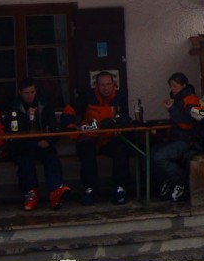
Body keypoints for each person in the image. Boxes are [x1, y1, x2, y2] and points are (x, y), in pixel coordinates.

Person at [68, 71, 132, 205]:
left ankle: (120, 189)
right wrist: (70, 126)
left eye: (108, 84)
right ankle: (90, 189)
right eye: (102, 85)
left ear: (113, 84)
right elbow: (69, 110)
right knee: (86, 152)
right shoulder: (86, 96)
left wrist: (116, 122)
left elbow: (126, 117)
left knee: (122, 148)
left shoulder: (120, 97)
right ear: (96, 85)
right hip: (89, 136)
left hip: (109, 137)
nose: (106, 87)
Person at [9, 77, 70, 211]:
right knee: (25, 161)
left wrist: (48, 141)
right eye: (26, 93)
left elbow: (54, 127)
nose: (30, 96)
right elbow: (12, 131)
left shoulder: (44, 104)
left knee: (52, 159)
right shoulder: (14, 107)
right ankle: (31, 193)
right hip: (24, 144)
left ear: (36, 91)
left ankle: (55, 192)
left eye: (32, 92)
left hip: (43, 143)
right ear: (20, 92)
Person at [150, 72, 203, 203]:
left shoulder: (190, 99)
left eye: (175, 86)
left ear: (183, 85)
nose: (172, 89)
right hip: (175, 138)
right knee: (150, 153)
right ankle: (167, 183)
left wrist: (172, 108)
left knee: (159, 157)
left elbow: (188, 121)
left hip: (188, 140)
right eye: (171, 86)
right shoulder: (178, 99)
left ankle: (181, 182)